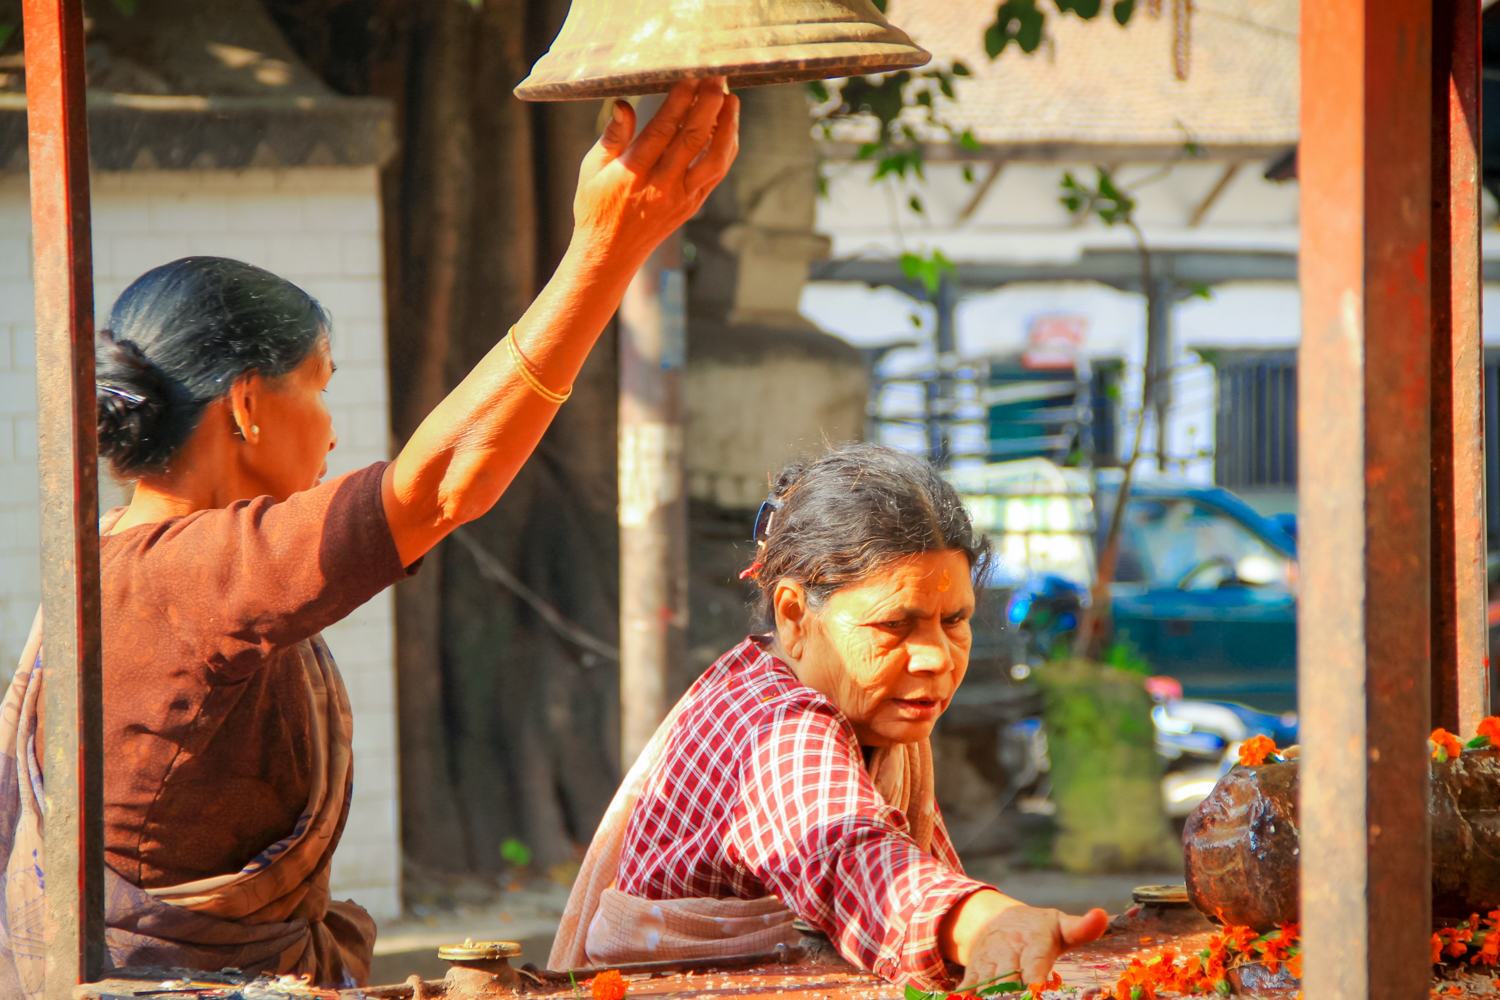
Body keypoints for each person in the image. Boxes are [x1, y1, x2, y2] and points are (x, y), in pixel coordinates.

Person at [0, 78, 738, 997]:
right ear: (246, 405)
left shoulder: (120, 556)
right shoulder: (179, 572)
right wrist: (606, 245)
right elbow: (440, 485)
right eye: (318, 385)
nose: (334, 427)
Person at [551, 444, 1108, 991]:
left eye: (955, 620)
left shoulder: (877, 713)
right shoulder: (772, 727)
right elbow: (844, 850)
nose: (936, 656)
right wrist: (985, 923)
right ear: (794, 616)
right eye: (895, 625)